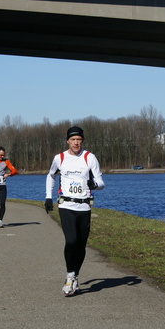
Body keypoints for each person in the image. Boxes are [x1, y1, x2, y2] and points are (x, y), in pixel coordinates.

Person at [45, 126, 105, 296]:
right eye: (73, 140)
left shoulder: (89, 158)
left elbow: (101, 181)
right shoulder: (60, 158)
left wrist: (95, 185)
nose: (76, 142)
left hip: (84, 206)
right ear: (67, 141)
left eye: (79, 139)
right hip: (66, 206)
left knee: (81, 245)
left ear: (82, 141)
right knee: (71, 241)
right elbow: (50, 176)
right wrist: (48, 197)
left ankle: (75, 276)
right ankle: (70, 276)